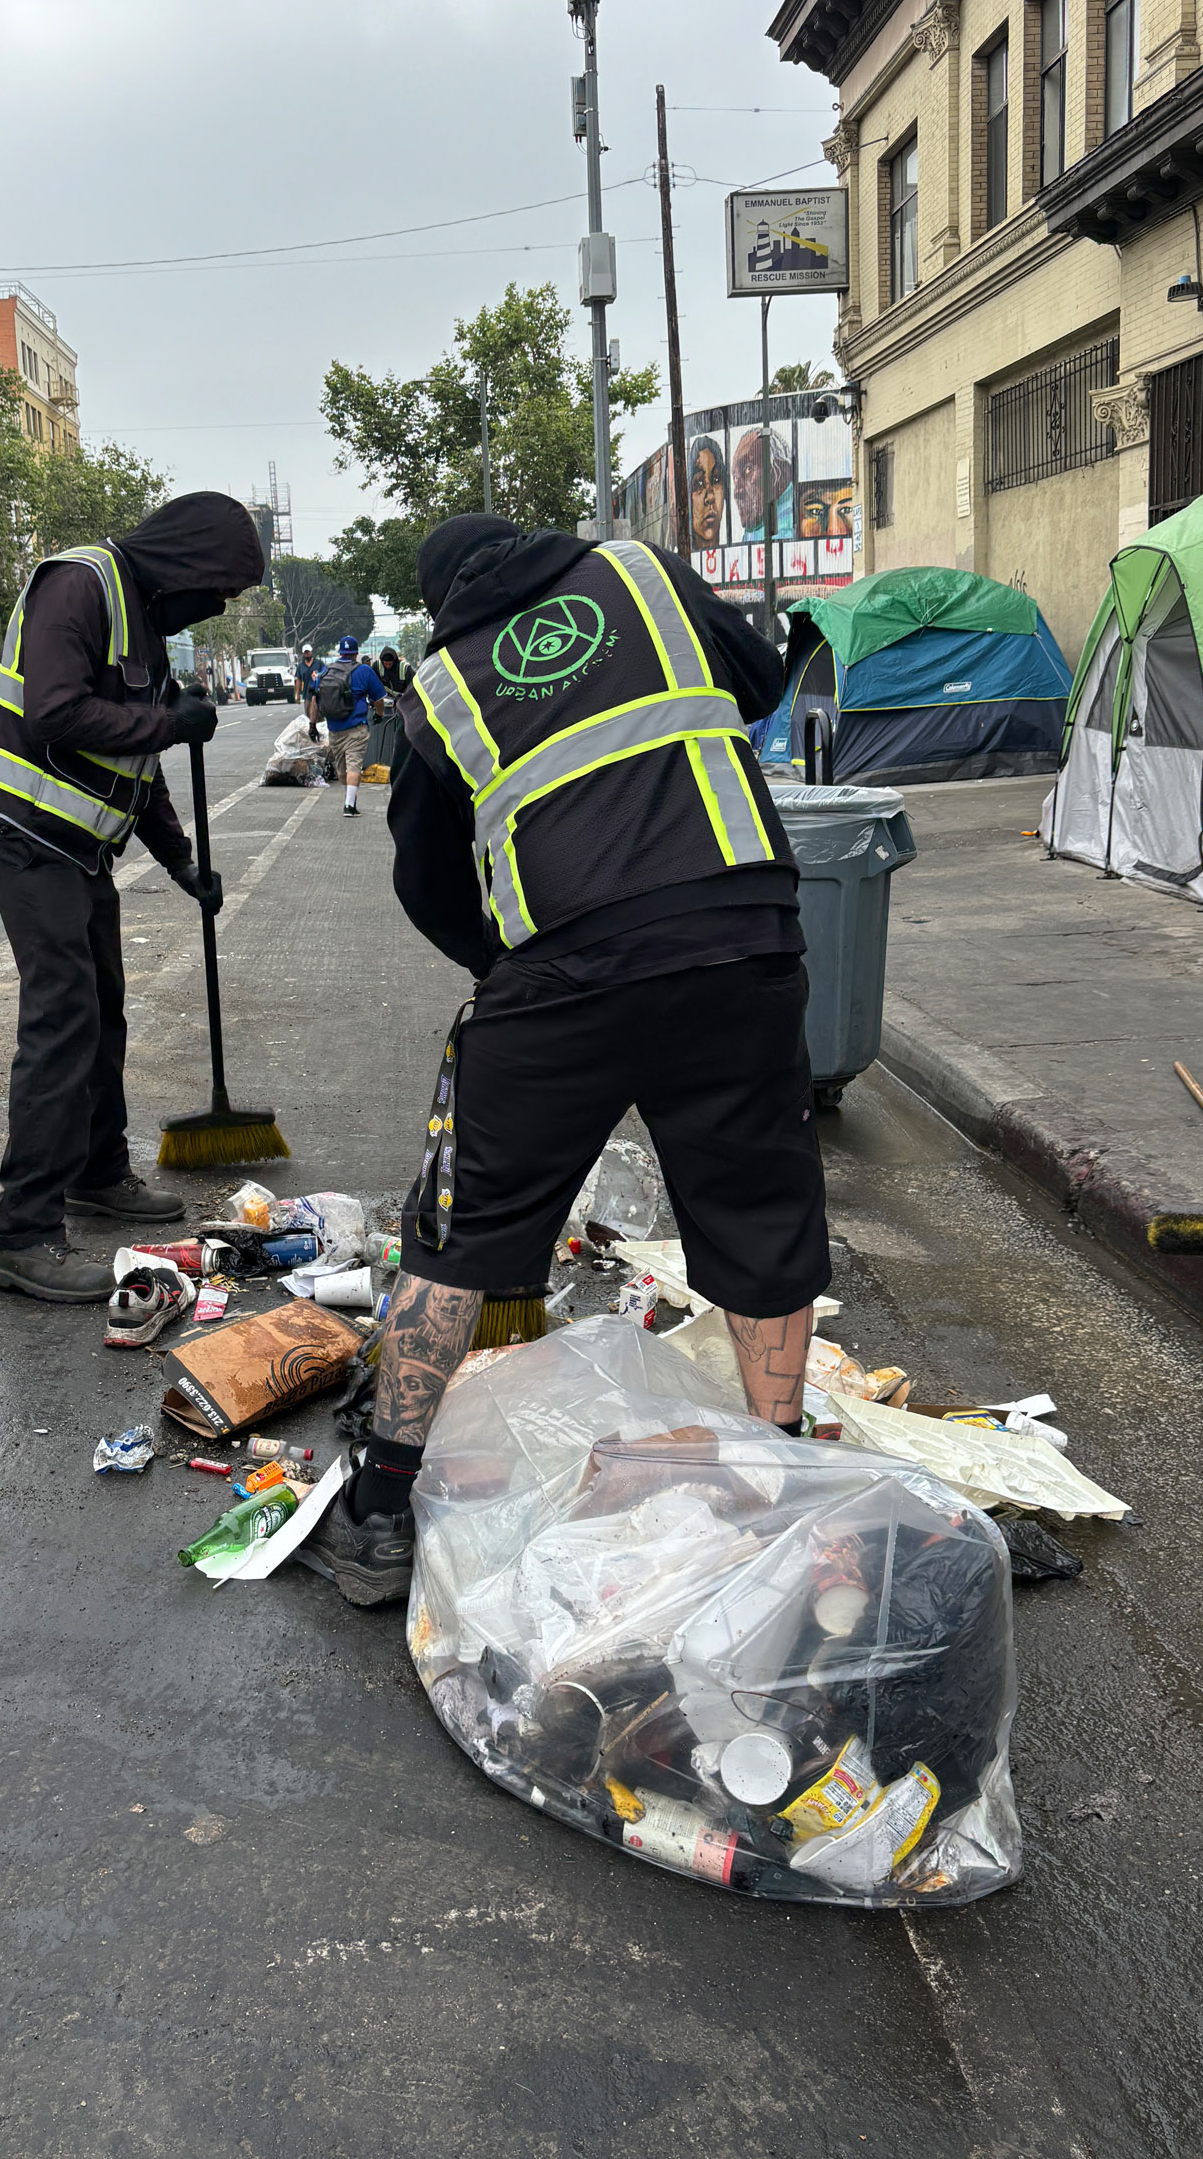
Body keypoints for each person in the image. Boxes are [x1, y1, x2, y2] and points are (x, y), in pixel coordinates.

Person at [308, 511, 831, 1603]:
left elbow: (426, 878)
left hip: (562, 972)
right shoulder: (644, 575)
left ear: (445, 601)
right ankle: (788, 1470)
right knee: (760, 1208)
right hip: (740, 931)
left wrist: (509, 964)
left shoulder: (441, 687)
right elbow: (758, 682)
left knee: (459, 1234)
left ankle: (381, 1507)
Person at [0, 492, 265, 1302]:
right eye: (220, 589)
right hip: (20, 828)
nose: (218, 607)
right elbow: (57, 715)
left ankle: (96, 1171)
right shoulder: (79, 586)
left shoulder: (145, 621)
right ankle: (22, 1232)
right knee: (63, 1013)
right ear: (186, 564)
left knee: (104, 1005)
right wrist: (168, 723)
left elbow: (139, 774)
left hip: (76, 844)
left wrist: (182, 863)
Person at [309, 634, 387, 817]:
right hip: (356, 727)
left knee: (341, 767)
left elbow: (315, 700)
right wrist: (379, 714)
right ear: (356, 653)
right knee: (354, 765)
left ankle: (348, 798)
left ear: (340, 652)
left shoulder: (325, 672)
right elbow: (379, 699)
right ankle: (349, 805)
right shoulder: (364, 671)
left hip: (334, 728)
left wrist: (312, 724)